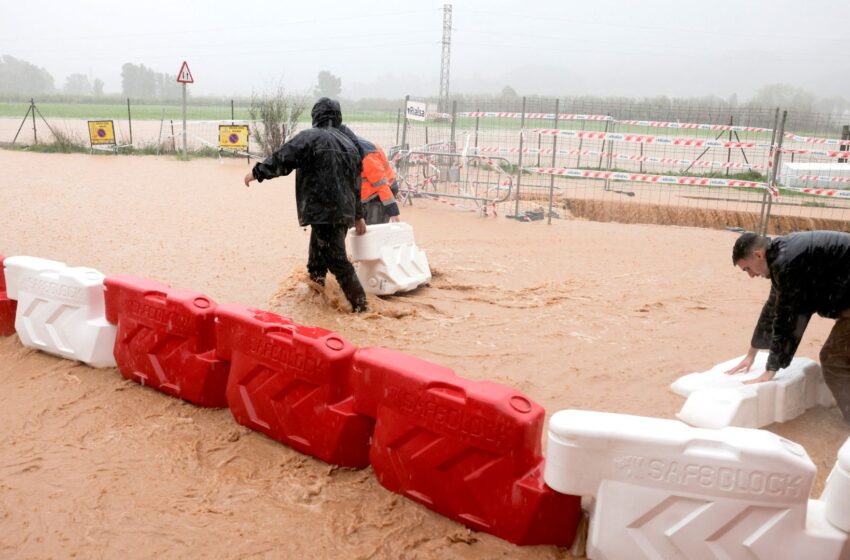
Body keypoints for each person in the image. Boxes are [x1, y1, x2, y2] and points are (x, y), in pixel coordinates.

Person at [243, 97, 368, 313]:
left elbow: (283, 158)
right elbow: (356, 183)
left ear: (316, 116)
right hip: (342, 213)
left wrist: (257, 173)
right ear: (337, 117)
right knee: (317, 261)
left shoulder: (310, 138)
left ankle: (363, 309)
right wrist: (358, 215)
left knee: (337, 261)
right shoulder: (350, 144)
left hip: (322, 211)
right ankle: (317, 304)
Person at [727, 230, 850, 423]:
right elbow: (772, 309)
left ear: (758, 255)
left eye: (747, 269)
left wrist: (771, 369)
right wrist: (752, 352)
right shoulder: (783, 256)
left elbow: (788, 320)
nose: (751, 276)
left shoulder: (787, 263)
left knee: (833, 358)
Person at [356, 137, 401, 225]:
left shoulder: (366, 155)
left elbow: (381, 184)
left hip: (377, 195)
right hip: (370, 194)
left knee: (374, 231)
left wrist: (393, 211)